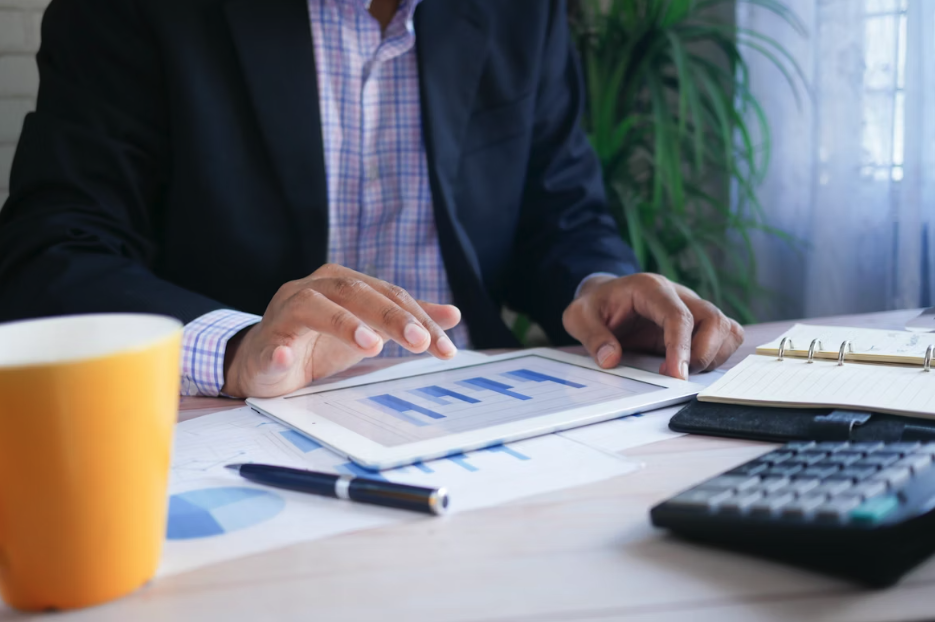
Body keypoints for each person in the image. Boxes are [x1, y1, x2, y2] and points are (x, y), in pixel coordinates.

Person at [0, 0, 743, 398]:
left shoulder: (522, 9)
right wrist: (236, 347)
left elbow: (559, 211)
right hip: (242, 420)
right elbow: (50, 253)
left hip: (479, 408)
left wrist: (600, 286)